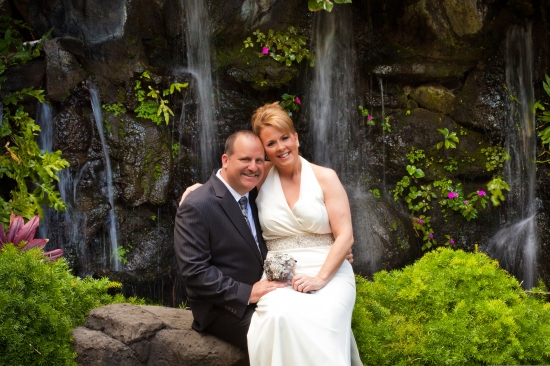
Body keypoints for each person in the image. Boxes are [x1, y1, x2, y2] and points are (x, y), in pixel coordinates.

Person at [246, 102, 361, 365]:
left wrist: (320, 279)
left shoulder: (325, 177)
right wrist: (196, 189)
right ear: (264, 151)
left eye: (284, 138)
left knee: (322, 318)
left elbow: (345, 237)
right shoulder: (260, 176)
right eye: (271, 143)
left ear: (296, 137)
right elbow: (227, 177)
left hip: (329, 271)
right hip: (280, 274)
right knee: (277, 315)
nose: (281, 147)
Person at [174, 130, 287, 350]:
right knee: (285, 336)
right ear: (225, 160)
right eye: (245, 159)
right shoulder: (197, 205)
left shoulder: (257, 194)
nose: (253, 167)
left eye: (258, 160)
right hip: (224, 309)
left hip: (267, 294)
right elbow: (195, 271)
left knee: (312, 320)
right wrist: (247, 293)